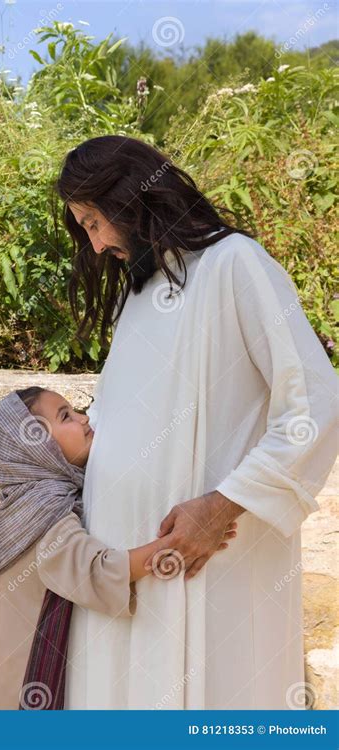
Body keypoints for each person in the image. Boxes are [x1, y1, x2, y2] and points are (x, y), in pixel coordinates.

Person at [54, 134, 338, 709]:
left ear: (132, 196)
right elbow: (112, 425)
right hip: (125, 578)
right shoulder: (136, 294)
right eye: (84, 227)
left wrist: (221, 506)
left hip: (210, 560)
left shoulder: (235, 264)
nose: (98, 240)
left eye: (94, 219)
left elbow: (314, 400)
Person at [0, 385, 238, 709]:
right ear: (36, 448)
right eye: (65, 416)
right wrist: (179, 541)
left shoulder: (23, 506)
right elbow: (95, 572)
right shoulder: (41, 513)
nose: (83, 418)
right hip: (17, 689)